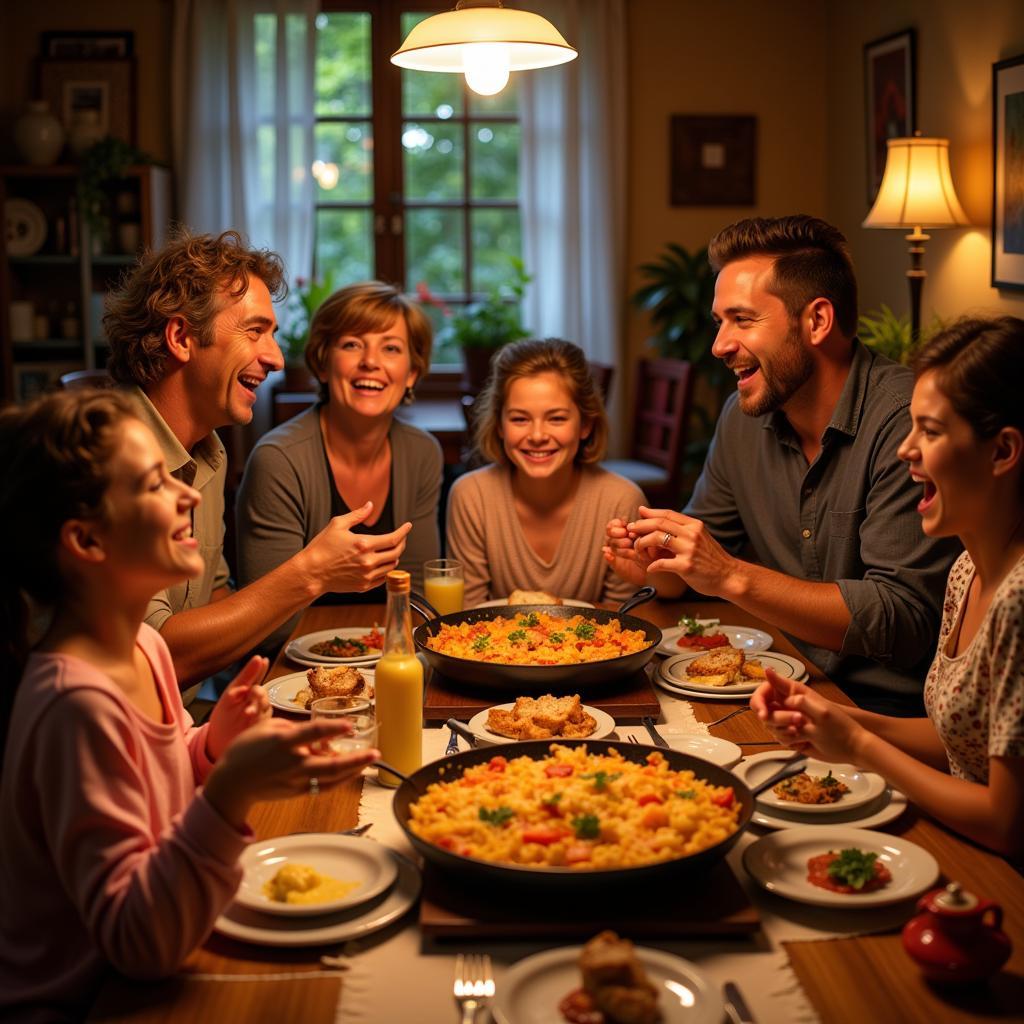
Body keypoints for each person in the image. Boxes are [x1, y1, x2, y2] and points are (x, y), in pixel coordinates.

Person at [0, 390, 377, 1021]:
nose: (192, 497)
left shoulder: (143, 644)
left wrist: (209, 748)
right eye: (154, 485)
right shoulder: (75, 703)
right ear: (87, 541)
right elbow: (138, 944)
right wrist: (227, 794)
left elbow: (151, 784)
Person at [605, 215, 959, 714]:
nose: (719, 345)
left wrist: (729, 574)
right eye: (719, 322)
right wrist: (657, 562)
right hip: (775, 684)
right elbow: (692, 574)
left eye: (743, 320)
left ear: (817, 321)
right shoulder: (743, 417)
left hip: (884, 713)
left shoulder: (906, 423)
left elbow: (902, 619)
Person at [752, 317, 1024, 856]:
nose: (906, 450)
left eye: (932, 431)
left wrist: (857, 745)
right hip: (952, 839)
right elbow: (960, 739)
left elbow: (1006, 823)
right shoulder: (967, 568)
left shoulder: (1019, 598)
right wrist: (831, 718)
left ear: (1002, 452)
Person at [104, 231, 411, 688]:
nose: (276, 359)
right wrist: (312, 573)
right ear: (181, 337)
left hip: (192, 723)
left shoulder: (209, 452)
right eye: (255, 332)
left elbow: (218, 601)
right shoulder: (110, 461)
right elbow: (151, 661)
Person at [235, 281, 442, 651]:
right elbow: (267, 627)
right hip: (289, 671)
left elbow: (419, 601)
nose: (371, 362)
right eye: (351, 344)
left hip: (393, 659)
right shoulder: (279, 460)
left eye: (391, 348)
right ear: (323, 362)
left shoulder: (423, 453)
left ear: (412, 373)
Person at [448, 338, 645, 607]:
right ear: (500, 426)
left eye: (556, 418)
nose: (537, 435)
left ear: (585, 424)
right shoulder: (470, 496)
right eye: (519, 419)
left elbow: (621, 618)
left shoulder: (621, 500)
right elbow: (467, 618)